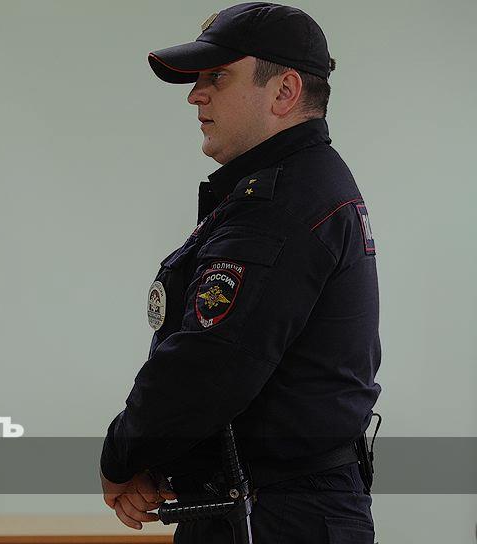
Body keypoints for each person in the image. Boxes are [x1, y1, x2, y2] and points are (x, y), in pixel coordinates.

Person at [98, 3, 382, 543]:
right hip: (260, 504)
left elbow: (208, 365)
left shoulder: (283, 203)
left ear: (284, 91)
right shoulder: (289, 188)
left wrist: (123, 456)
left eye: (217, 77)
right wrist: (158, 457)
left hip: (277, 514)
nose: (195, 95)